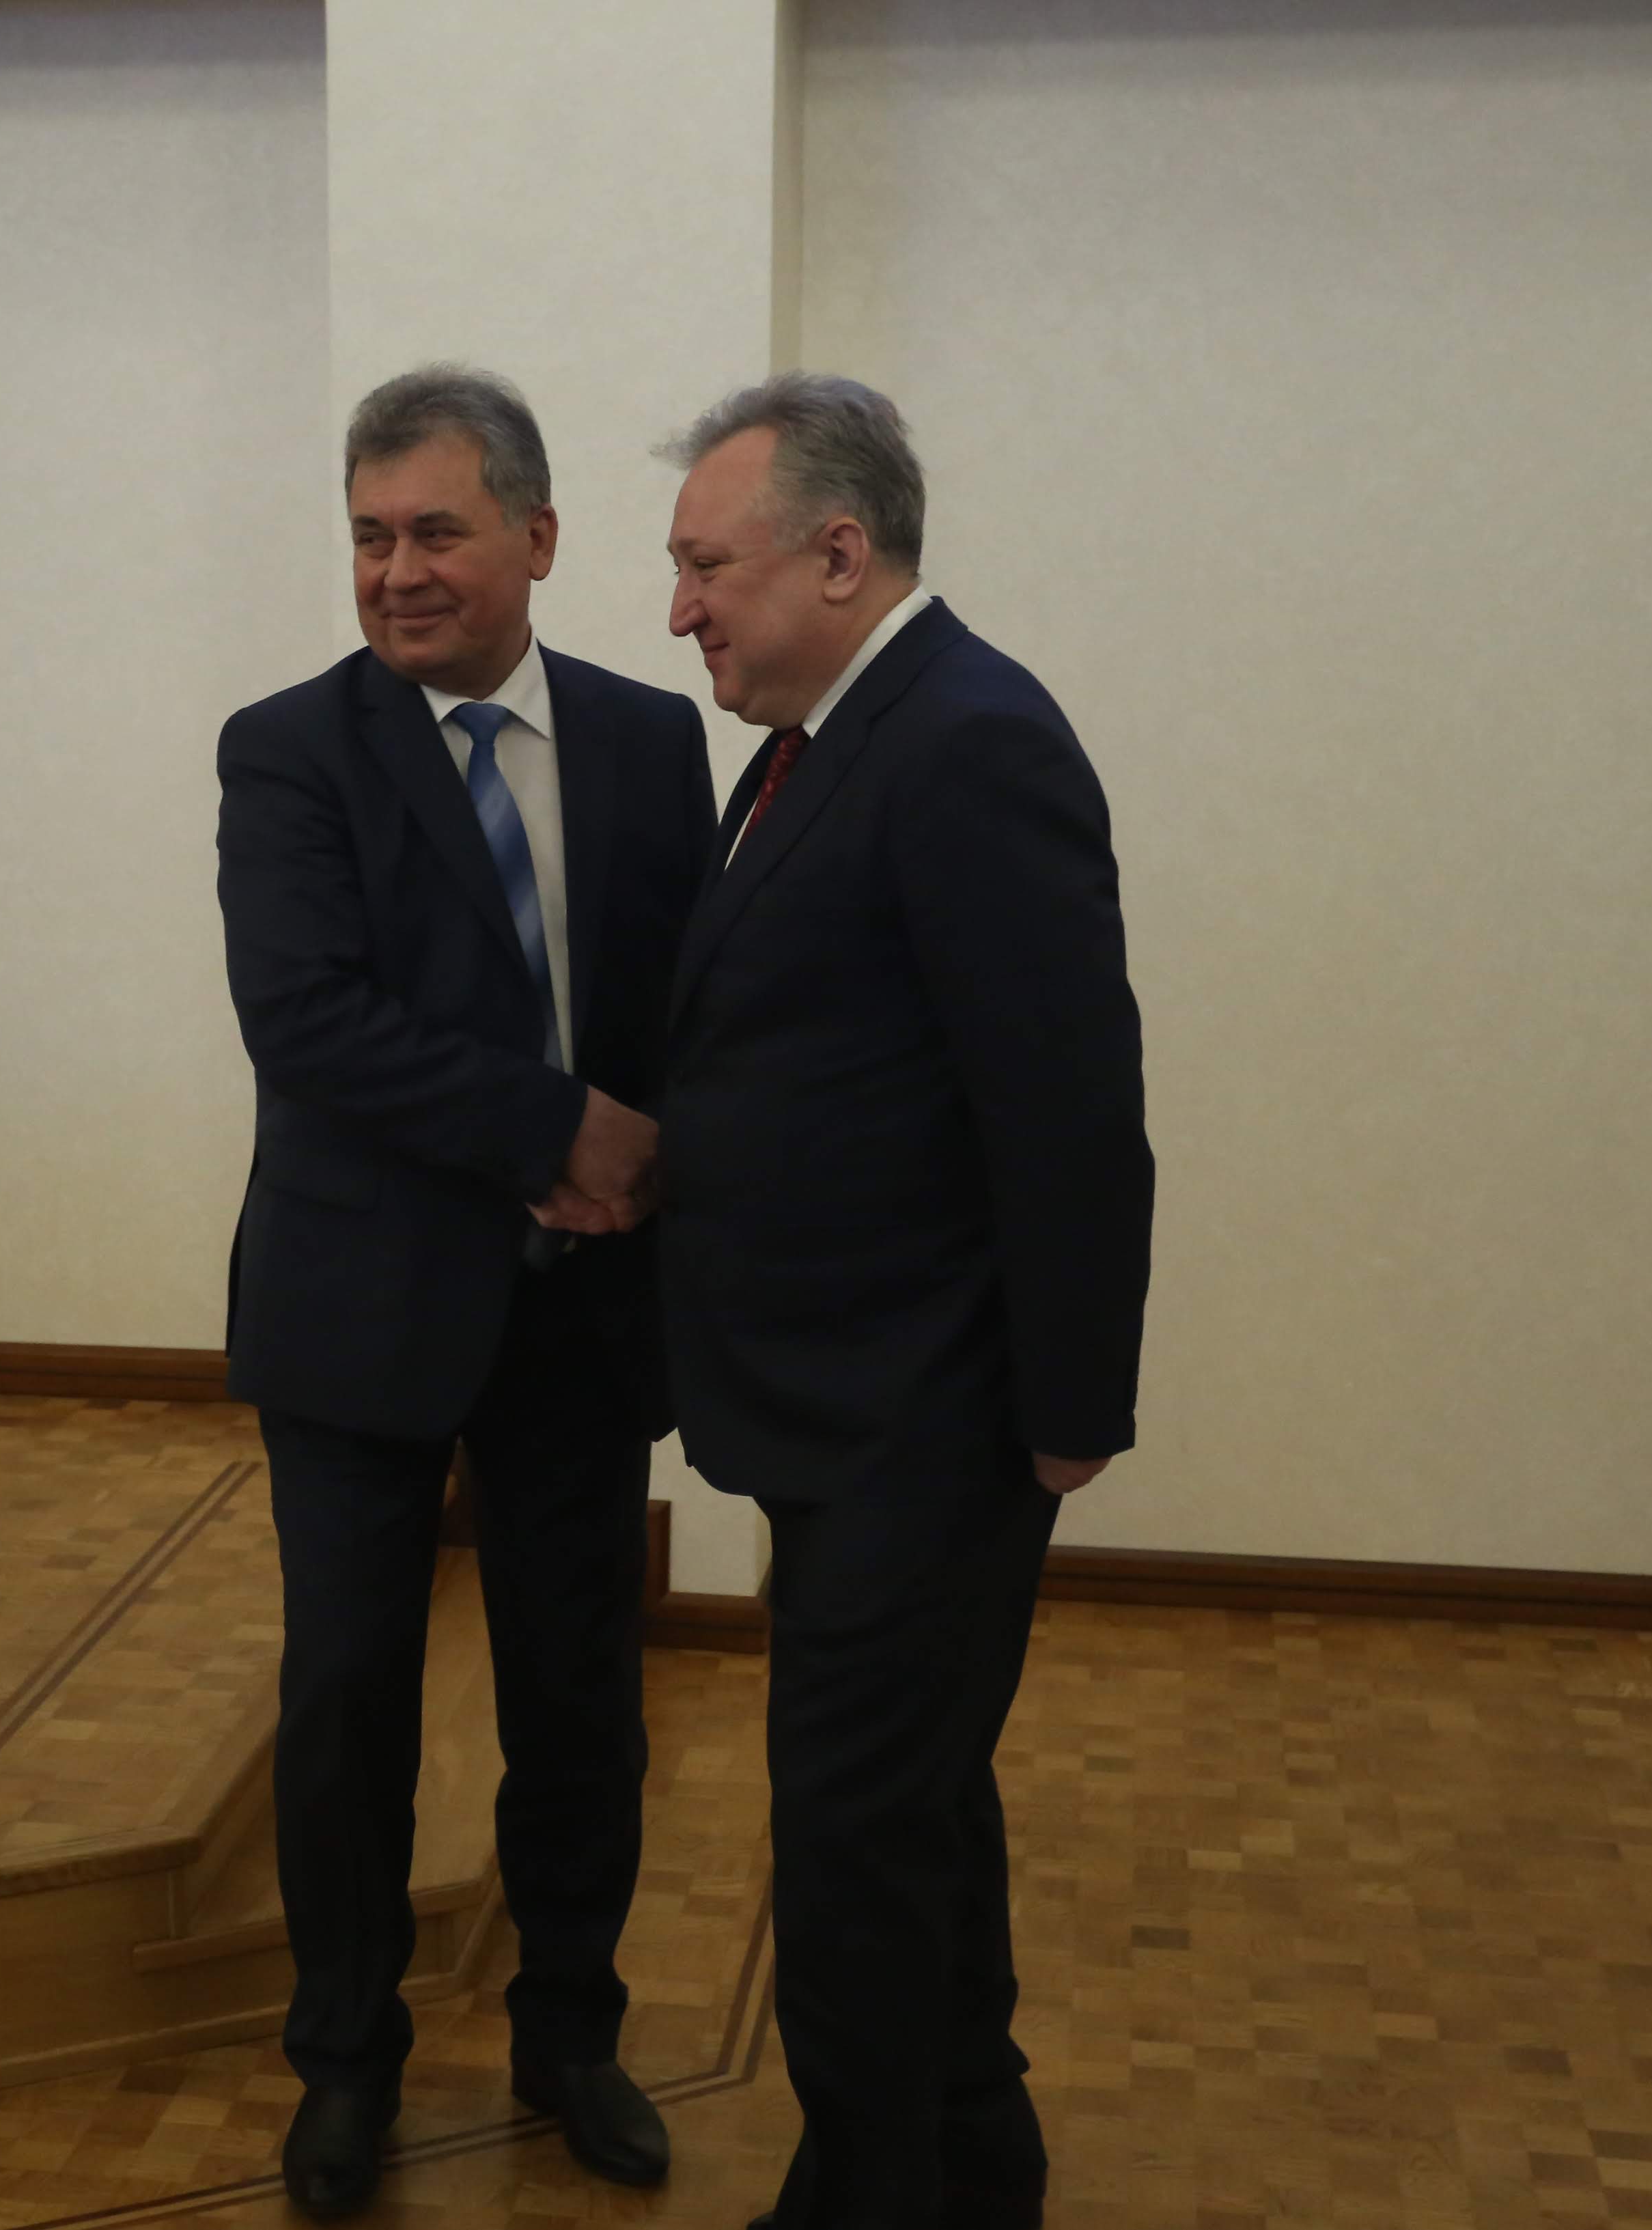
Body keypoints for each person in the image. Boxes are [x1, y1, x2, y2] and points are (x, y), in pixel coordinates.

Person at [214, 364, 718, 2219]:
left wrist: (664, 1166)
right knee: (347, 1700)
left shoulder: (651, 741)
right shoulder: (287, 751)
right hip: (359, 1310)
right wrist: (557, 1127)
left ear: (537, 536)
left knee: (577, 1695)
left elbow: (682, 1009)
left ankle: (570, 2036)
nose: (396, 570)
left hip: (582, 1310)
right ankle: (344, 2062)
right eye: (368, 535)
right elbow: (309, 1021)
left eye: (435, 529)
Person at [655, 373, 1154, 2230]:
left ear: (838, 555)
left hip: (924, 1418)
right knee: (915, 1796)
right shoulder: (820, 743)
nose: (680, 610)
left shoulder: (965, 742)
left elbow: (1068, 1108)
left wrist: (1069, 1411)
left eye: (707, 567)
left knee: (855, 1834)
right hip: (839, 1403)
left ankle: (867, 2192)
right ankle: (975, 2150)